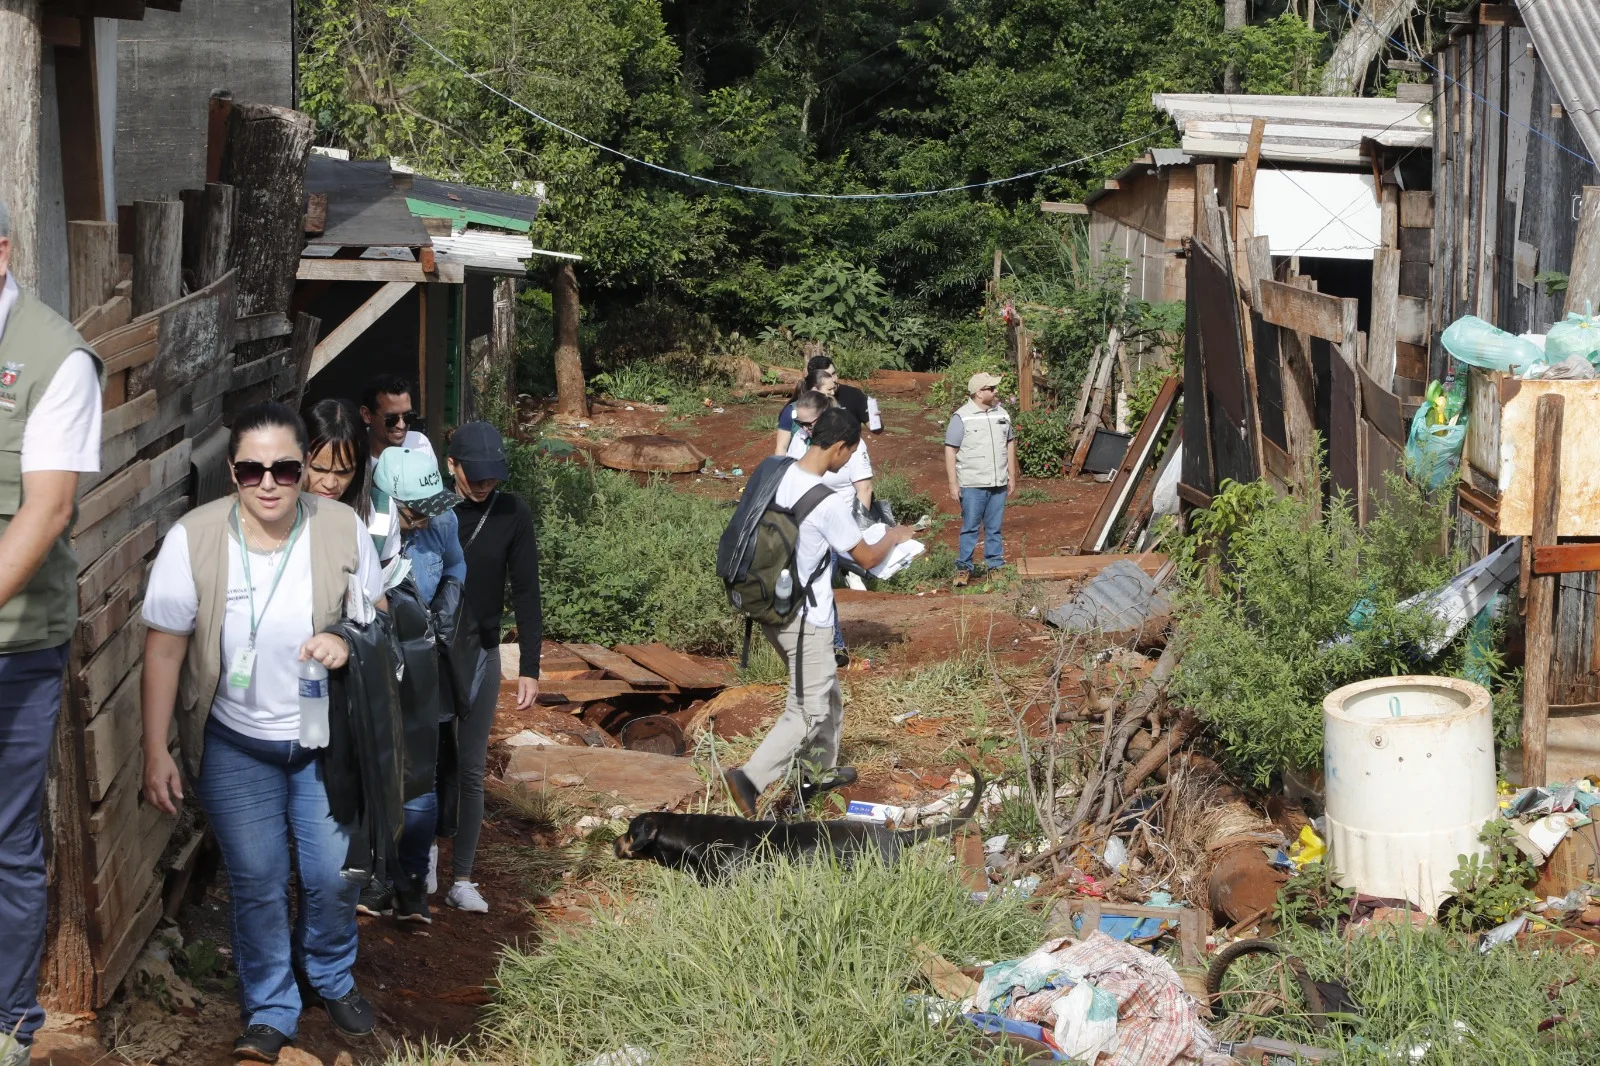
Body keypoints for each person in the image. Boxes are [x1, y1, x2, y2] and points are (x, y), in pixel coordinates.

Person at [140, 402, 385, 1063]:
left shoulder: (340, 529)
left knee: (333, 873)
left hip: (324, 745)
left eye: (284, 467)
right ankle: (271, 1007)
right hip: (235, 746)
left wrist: (341, 638)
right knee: (258, 878)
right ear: (233, 473)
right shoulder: (193, 539)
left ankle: (329, 972)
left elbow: (378, 619)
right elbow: (164, 649)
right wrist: (154, 746)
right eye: (253, 470)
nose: (269, 482)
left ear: (304, 468)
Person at [0, 197, 106, 1066]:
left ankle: (7, 1023)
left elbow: (49, 509)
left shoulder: (54, 357)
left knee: (4, 837)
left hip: (13, 644)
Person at [721, 407, 914, 818]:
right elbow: (864, 555)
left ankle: (819, 773)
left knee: (827, 695)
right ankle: (750, 778)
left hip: (770, 603)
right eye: (851, 454)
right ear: (840, 448)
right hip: (806, 619)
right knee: (806, 710)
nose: (848, 462)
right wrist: (895, 535)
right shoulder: (825, 502)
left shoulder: (774, 469)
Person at [443, 422, 541, 913]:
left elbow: (525, 589)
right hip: (434, 653)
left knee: (471, 765)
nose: (484, 486)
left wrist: (529, 665)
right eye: (474, 476)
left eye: (491, 477)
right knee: (423, 763)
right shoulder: (432, 511)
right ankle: (414, 864)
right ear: (451, 466)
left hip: (483, 650)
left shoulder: (511, 513)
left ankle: (461, 876)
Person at [372, 445, 466, 925]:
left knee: (421, 777)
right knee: (375, 771)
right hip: (372, 668)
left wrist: (450, 597)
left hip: (423, 662)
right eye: (415, 513)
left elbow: (455, 565)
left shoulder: (441, 523)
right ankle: (374, 876)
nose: (426, 522)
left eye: (431, 510)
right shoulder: (363, 533)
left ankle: (411, 886)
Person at [944, 372, 1019, 588]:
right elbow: (951, 450)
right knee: (970, 527)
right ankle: (963, 568)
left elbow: (1009, 443)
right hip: (972, 484)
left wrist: (1011, 476)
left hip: (998, 483)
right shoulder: (961, 417)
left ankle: (995, 567)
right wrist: (952, 484)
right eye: (991, 389)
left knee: (994, 528)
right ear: (979, 393)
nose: (996, 392)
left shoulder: (1002, 414)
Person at [358, 375, 434, 558]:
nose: (401, 425)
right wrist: (394, 521)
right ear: (367, 415)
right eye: (391, 419)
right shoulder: (354, 455)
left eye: (408, 416)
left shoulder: (420, 444)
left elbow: (431, 506)